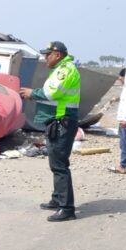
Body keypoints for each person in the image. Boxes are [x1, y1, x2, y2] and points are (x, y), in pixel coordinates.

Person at [19, 41, 80, 222]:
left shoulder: (65, 70)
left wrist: (32, 93)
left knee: (59, 165)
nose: (45, 57)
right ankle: (57, 199)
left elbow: (51, 93)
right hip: (58, 121)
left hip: (62, 122)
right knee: (56, 162)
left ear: (58, 55)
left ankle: (67, 208)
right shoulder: (61, 69)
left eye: (48, 54)